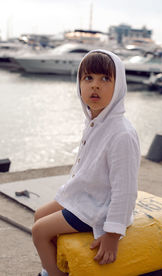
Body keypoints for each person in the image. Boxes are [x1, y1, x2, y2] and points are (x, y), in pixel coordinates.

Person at [32, 49, 141, 276]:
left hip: (99, 208)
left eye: (105, 79)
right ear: (79, 83)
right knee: (39, 215)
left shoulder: (121, 133)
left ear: (119, 85)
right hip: (84, 197)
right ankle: (61, 263)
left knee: (39, 231)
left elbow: (126, 190)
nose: (95, 86)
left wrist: (112, 235)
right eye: (88, 78)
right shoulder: (95, 121)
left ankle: (52, 273)